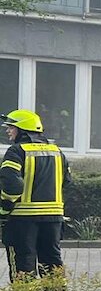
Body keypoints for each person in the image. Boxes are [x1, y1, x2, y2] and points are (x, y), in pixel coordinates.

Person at [0, 110, 68, 282]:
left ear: (22, 130)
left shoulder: (16, 151)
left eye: (11, 127)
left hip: (22, 219)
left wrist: (4, 208)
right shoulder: (57, 151)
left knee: (23, 263)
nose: (8, 131)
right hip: (53, 218)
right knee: (52, 261)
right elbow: (67, 181)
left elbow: (13, 185)